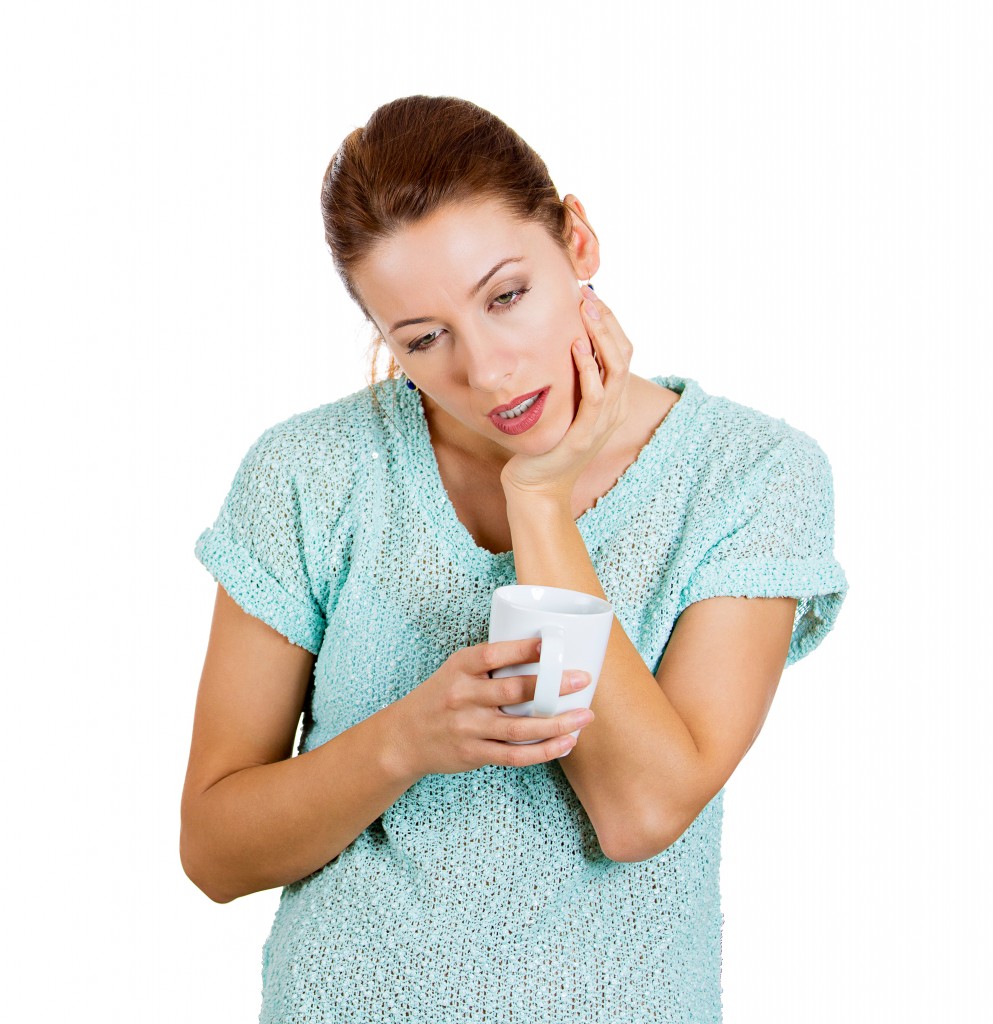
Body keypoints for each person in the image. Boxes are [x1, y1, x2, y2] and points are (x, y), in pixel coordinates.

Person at [180, 94, 849, 1023]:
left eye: (506, 296)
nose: (488, 369)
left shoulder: (748, 476)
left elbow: (642, 813)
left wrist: (539, 501)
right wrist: (402, 742)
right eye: (423, 339)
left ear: (576, 240)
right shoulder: (313, 471)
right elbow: (215, 851)